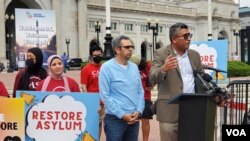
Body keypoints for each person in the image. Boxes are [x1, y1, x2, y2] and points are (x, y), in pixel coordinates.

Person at [149, 23, 203, 141]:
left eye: (189, 35)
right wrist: (163, 69)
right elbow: (152, 78)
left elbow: (201, 79)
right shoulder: (161, 53)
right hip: (169, 110)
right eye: (185, 36)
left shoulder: (194, 55)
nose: (188, 39)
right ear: (174, 39)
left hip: (191, 109)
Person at [99, 35, 145, 141]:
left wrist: (139, 110)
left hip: (134, 119)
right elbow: (105, 95)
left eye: (131, 47)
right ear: (117, 49)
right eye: (127, 47)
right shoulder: (106, 68)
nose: (130, 49)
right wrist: (122, 115)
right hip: (115, 120)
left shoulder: (134, 67)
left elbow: (140, 91)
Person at [80, 45, 104, 139]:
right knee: (92, 124)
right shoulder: (86, 69)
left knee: (100, 123)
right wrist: (89, 101)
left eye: (99, 54)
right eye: (95, 55)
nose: (98, 56)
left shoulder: (105, 67)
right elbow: (83, 86)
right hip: (93, 102)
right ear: (91, 56)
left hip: (104, 102)